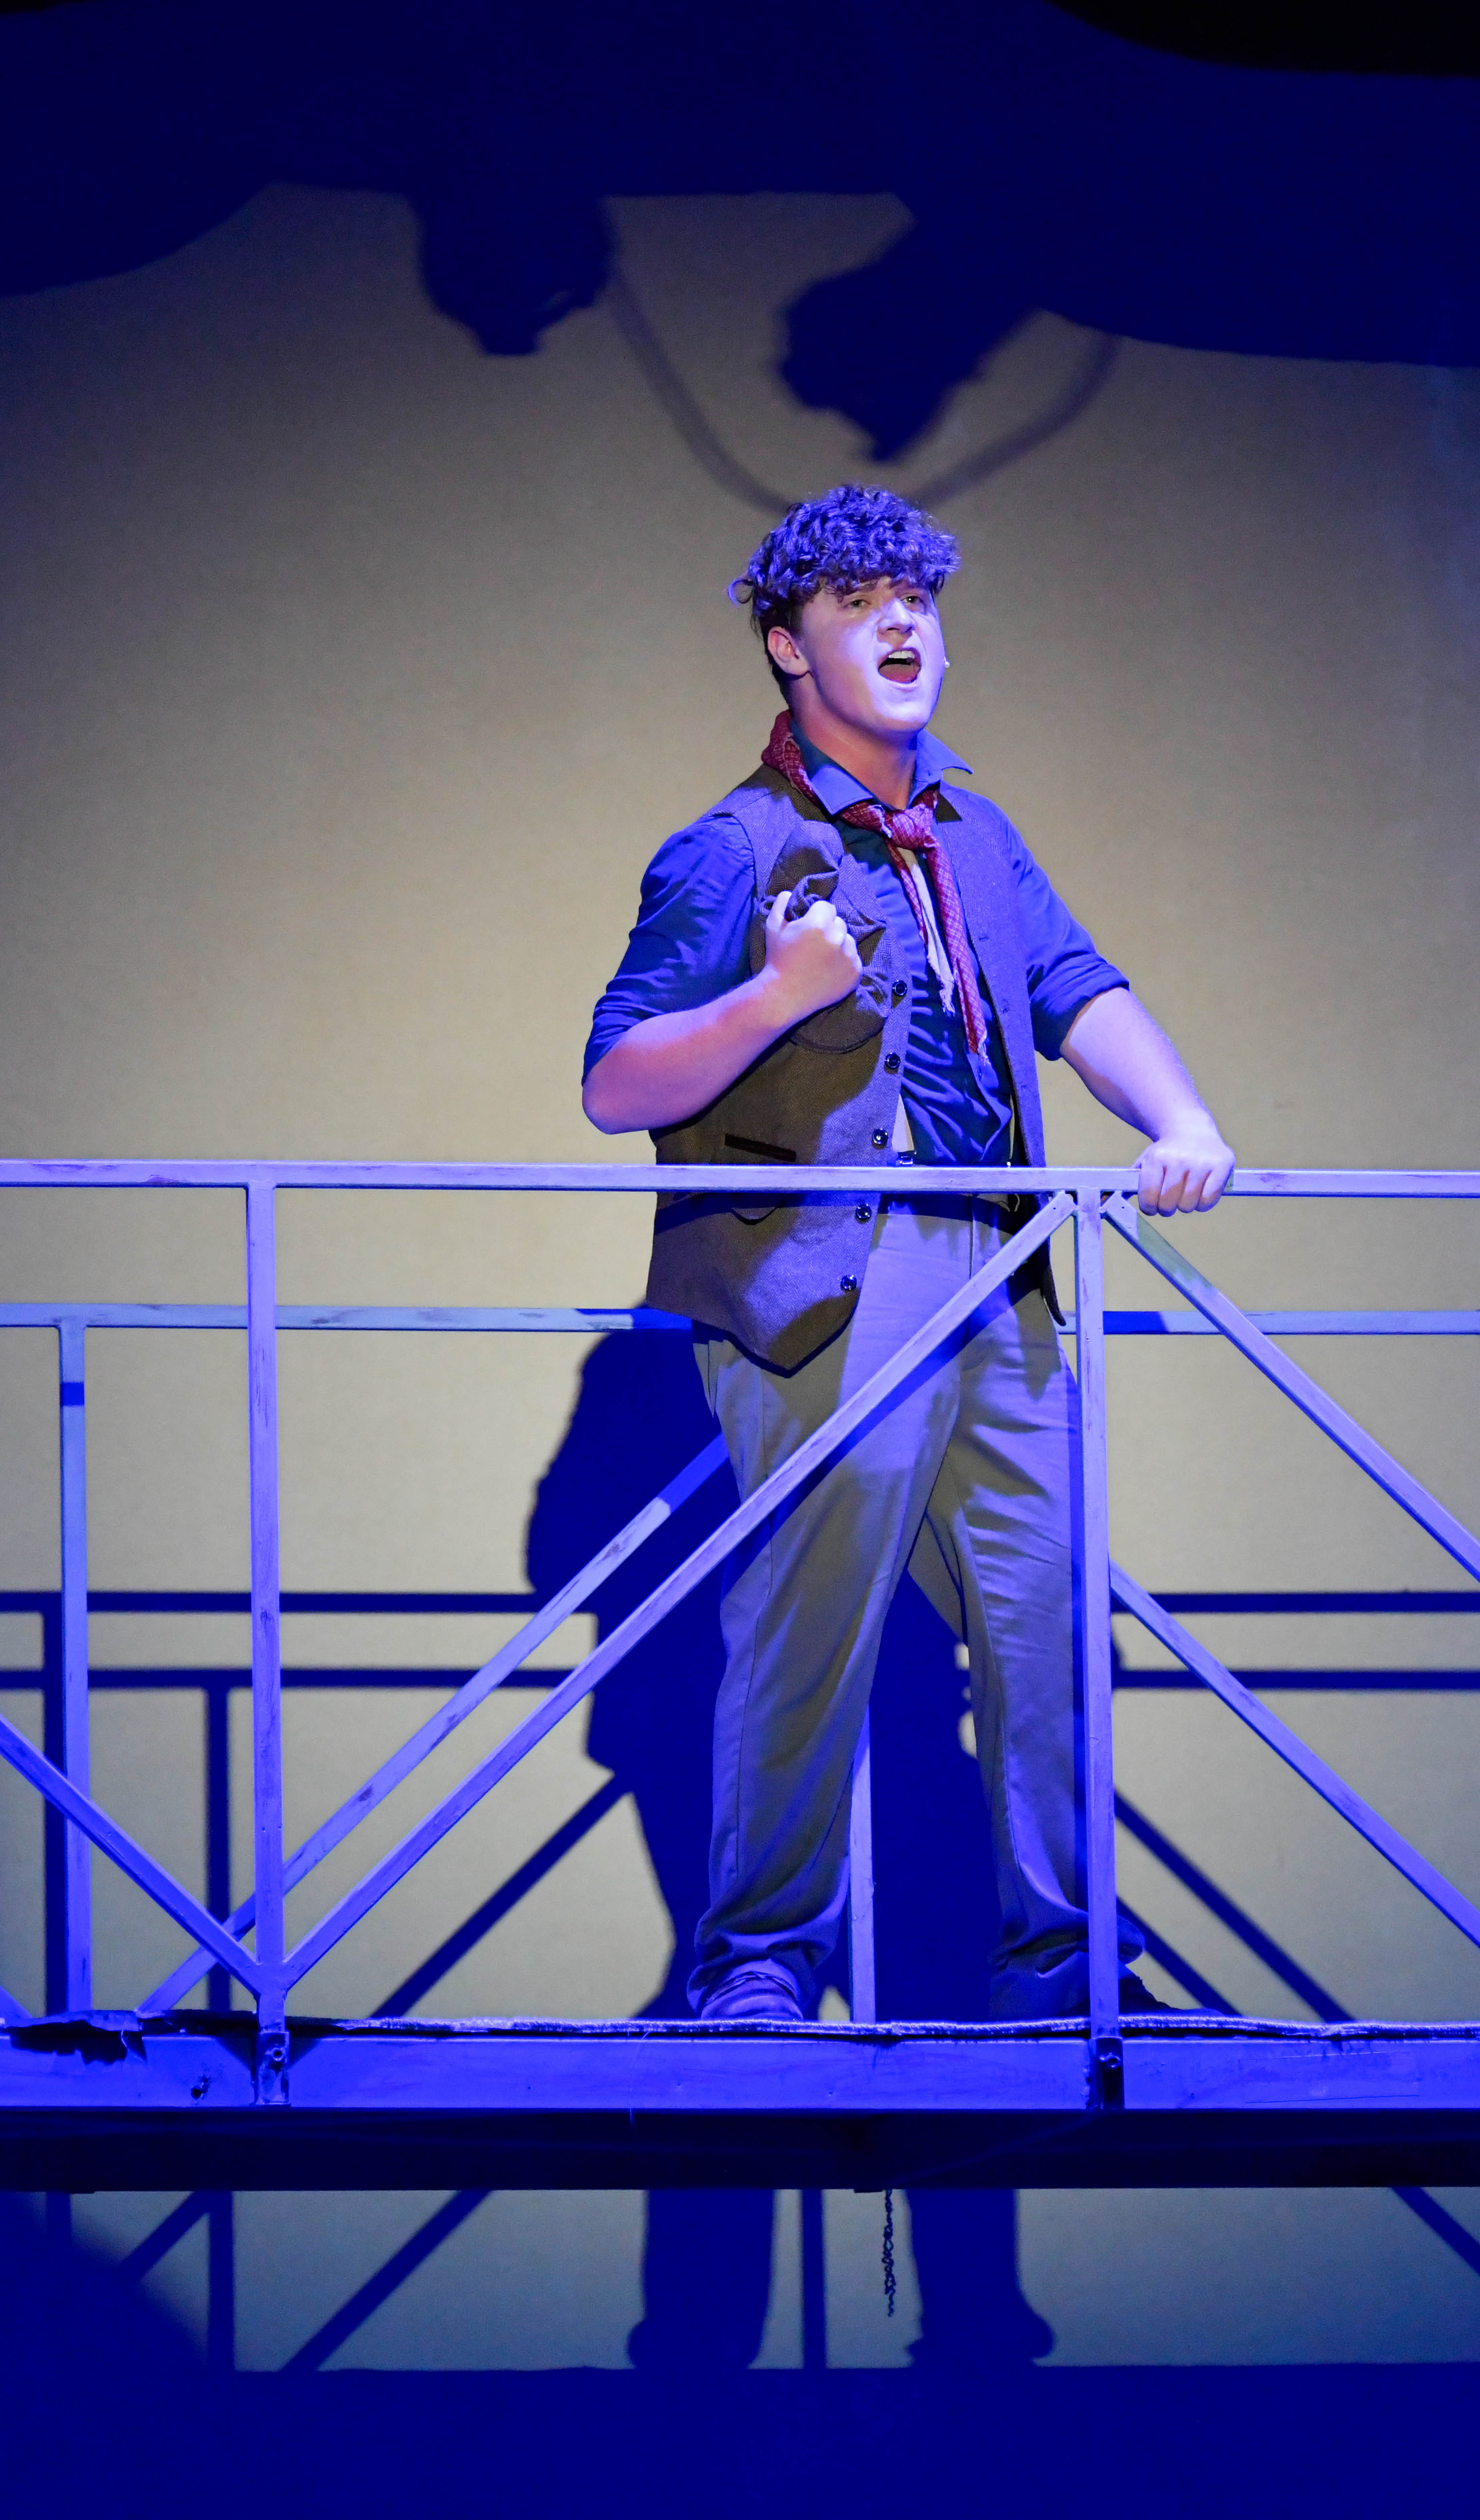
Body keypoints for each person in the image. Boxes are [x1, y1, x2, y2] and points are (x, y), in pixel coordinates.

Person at [581, 483, 1236, 2024]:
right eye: (860, 601)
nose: (902, 624)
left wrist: (1185, 1112)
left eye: (919, 601)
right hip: (831, 1287)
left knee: (1051, 1611)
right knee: (809, 1627)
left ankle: (1063, 1961)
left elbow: (1079, 993)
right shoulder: (733, 846)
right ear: (784, 644)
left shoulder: (976, 834)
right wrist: (774, 1000)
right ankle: (757, 1961)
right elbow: (617, 1082)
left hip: (1001, 1271)